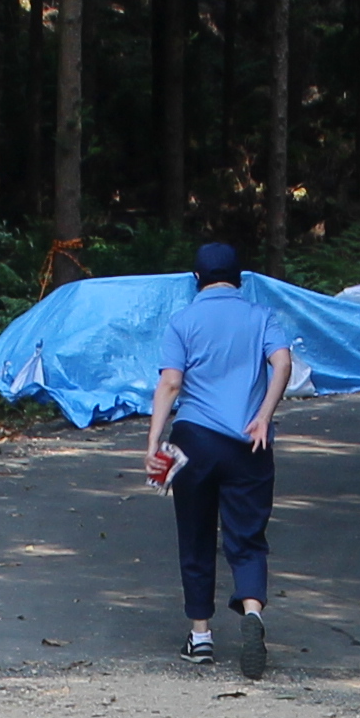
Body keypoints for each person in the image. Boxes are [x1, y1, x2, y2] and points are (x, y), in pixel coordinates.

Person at [145, 240, 296, 674]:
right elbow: (283, 363)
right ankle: (252, 612)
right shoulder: (260, 315)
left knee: (195, 535)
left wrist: (154, 443)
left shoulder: (182, 321)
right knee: (247, 537)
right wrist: (264, 416)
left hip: (193, 440)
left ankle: (201, 636)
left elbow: (171, 384)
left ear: (196, 280)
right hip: (249, 442)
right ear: (240, 278)